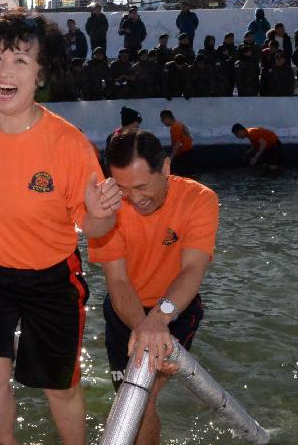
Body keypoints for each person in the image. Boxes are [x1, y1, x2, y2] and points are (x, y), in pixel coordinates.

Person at [0, 10, 121, 445]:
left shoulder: (68, 144)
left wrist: (103, 212)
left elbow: (96, 228)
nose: (5, 71)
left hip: (50, 280)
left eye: (21, 61)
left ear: (41, 75)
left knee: (60, 386)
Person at [88, 130, 218, 445]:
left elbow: (192, 270)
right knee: (130, 399)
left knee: (142, 398)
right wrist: (143, 326)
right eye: (122, 187)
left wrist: (158, 320)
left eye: (142, 186)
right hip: (125, 310)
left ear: (166, 169)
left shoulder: (200, 200)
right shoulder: (106, 208)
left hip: (175, 309)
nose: (134, 197)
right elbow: (117, 281)